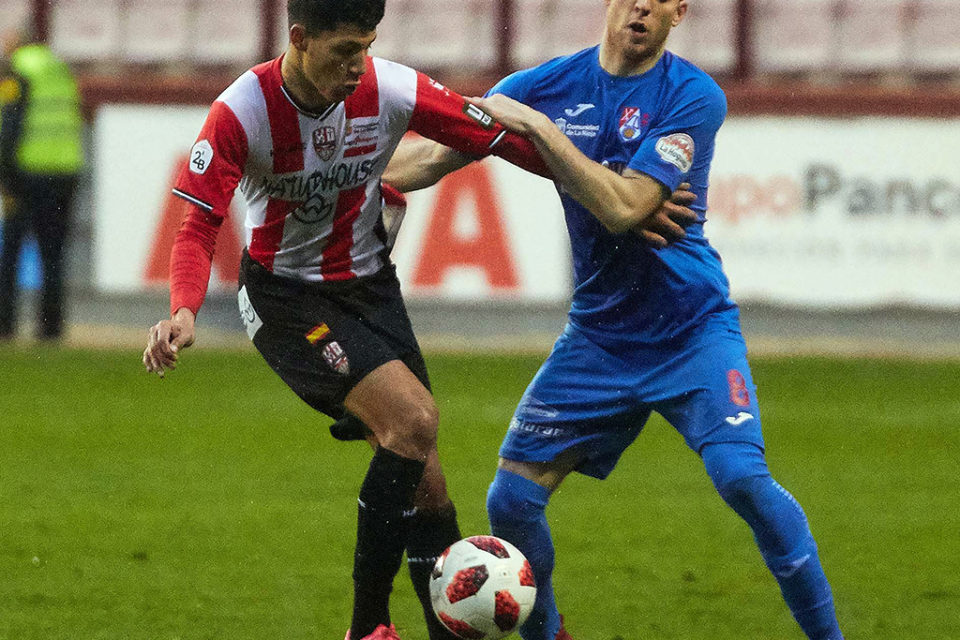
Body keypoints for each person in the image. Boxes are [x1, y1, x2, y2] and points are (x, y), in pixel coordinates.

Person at [139, 1, 697, 638]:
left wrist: (616, 196)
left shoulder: (390, 87)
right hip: (286, 300)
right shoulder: (242, 111)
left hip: (371, 290)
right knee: (413, 421)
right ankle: (368, 627)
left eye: (368, 47)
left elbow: (500, 138)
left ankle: (448, 631)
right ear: (299, 39)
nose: (357, 66)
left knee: (425, 478)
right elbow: (198, 225)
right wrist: (183, 308)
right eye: (344, 51)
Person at [382, 1, 845, 639]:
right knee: (510, 499)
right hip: (599, 337)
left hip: (691, 329)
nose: (644, 6)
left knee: (742, 478)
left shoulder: (692, 96)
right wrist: (337, 180)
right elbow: (431, 159)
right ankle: (547, 634)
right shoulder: (544, 86)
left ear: (679, 13)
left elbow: (628, 208)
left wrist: (543, 134)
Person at [0, 28, 84, 341]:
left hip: (28, 173)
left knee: (11, 251)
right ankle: (50, 329)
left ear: (17, 43)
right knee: (53, 254)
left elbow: (11, 124)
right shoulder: (60, 69)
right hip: (65, 171)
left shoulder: (18, 70)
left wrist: (5, 176)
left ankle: (5, 325)